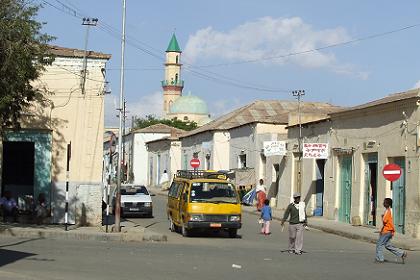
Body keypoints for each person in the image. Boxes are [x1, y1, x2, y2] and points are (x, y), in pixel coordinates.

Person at [375, 198, 407, 263]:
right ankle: (402, 253)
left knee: (379, 244)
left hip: (387, 231)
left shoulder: (388, 211)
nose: (383, 203)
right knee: (387, 245)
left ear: (387, 204)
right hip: (388, 231)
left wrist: (382, 216)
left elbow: (385, 221)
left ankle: (380, 259)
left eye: (384, 202)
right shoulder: (388, 211)